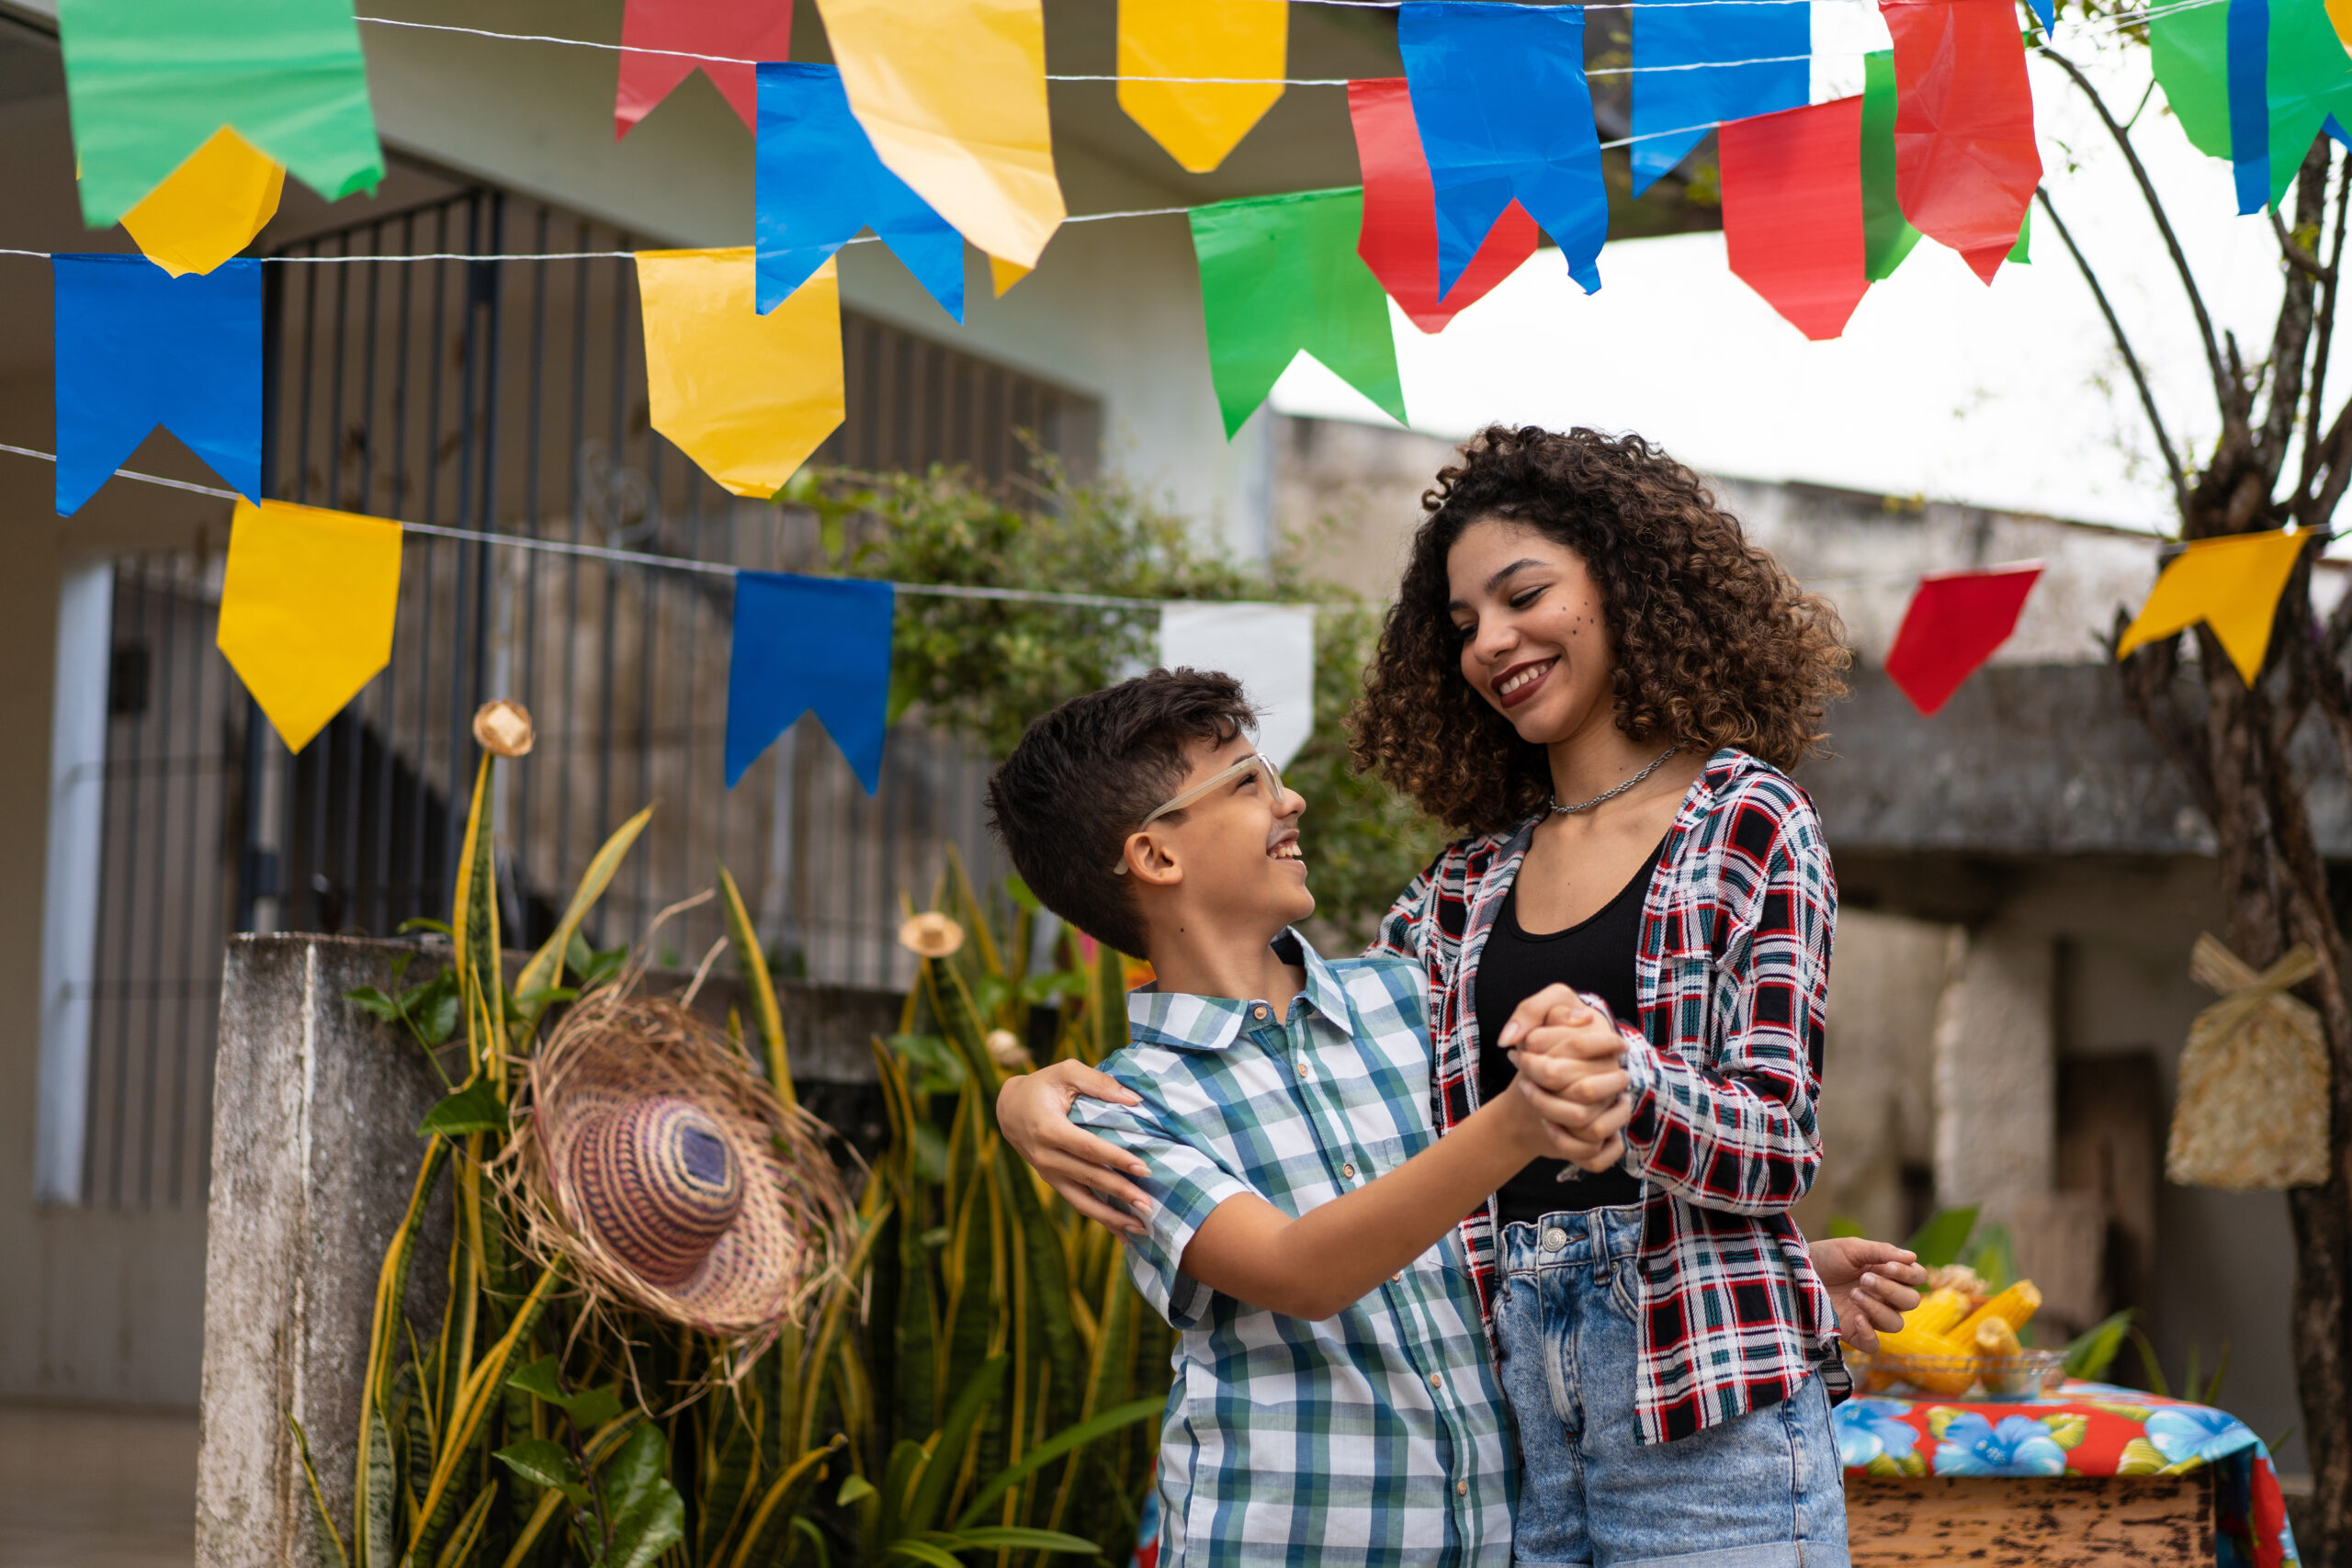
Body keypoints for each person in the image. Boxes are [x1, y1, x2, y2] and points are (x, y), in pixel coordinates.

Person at [1004, 425, 1926, 1567]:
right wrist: (1029, 1091)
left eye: (1522, 594)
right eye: (1461, 626)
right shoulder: (1453, 902)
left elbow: (1774, 1140)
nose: (1491, 642)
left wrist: (1683, 1169)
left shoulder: (1746, 821)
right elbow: (1374, 1168)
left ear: (1625, 582)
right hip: (1518, 1447)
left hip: (1697, 1423)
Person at [985, 669, 1641, 1564]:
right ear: (1157, 857)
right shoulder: (1122, 1111)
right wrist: (1515, 1121)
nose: (1288, 798)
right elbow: (1299, 1272)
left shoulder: (1415, 995)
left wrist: (1749, 1271)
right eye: (1247, 783)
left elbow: (1549, 1232)